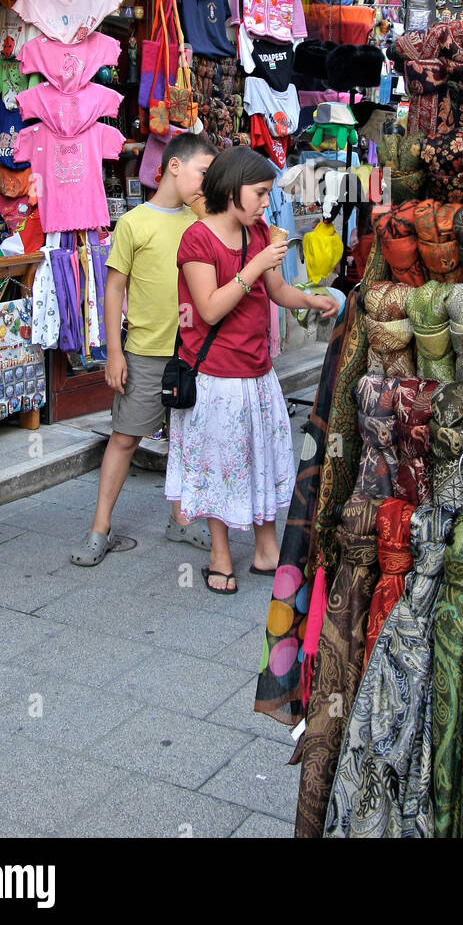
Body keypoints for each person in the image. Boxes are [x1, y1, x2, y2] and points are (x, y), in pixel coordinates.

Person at [169, 146, 339, 593]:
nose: (267, 202)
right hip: (214, 378)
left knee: (260, 457)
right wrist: (253, 267)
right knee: (219, 465)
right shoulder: (197, 240)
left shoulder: (259, 231)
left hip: (257, 372)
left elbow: (277, 290)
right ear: (232, 189)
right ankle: (219, 553)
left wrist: (312, 299)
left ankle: (267, 549)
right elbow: (207, 309)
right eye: (260, 193)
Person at [70, 131, 216, 566]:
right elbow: (114, 289)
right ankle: (100, 528)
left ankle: (181, 519)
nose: (207, 184)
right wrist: (114, 353)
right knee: (126, 437)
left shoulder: (200, 221)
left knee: (186, 438)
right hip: (145, 352)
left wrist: (204, 209)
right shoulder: (135, 222)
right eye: (203, 174)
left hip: (193, 353)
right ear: (175, 166)